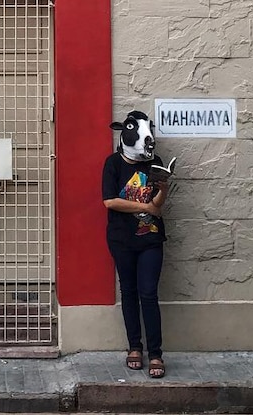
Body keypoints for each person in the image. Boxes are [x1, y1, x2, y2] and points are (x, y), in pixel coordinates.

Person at [102, 110, 169, 379]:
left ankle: (156, 353)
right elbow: (109, 201)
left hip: (151, 238)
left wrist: (163, 190)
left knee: (149, 294)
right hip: (121, 239)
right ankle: (134, 347)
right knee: (128, 292)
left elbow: (158, 208)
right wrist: (146, 206)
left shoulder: (156, 163)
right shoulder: (113, 164)